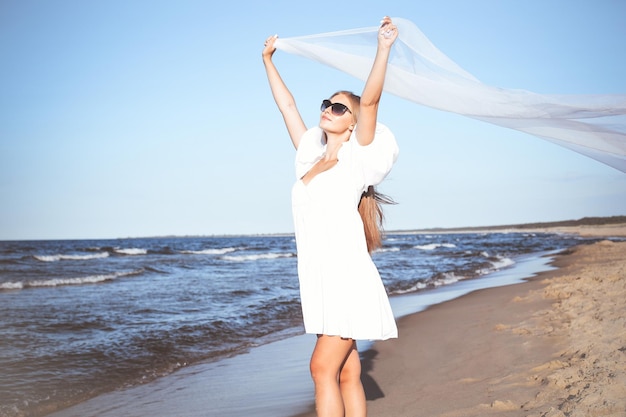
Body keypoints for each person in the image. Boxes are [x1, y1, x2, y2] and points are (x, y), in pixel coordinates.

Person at [262, 16, 399, 417]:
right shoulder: (310, 157)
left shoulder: (358, 159)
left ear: (352, 122)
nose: (328, 109)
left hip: (346, 279)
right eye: (326, 103)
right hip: (320, 280)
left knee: (320, 368)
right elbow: (286, 106)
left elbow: (370, 100)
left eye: (339, 107)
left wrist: (383, 48)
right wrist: (269, 60)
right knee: (346, 373)